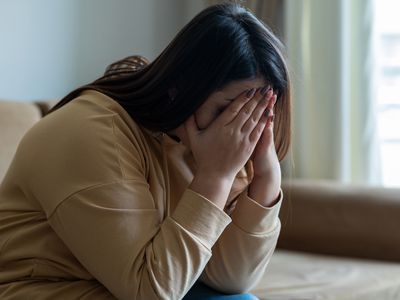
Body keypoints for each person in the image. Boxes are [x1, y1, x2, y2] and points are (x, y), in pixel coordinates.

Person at [0, 3, 291, 300]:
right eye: (228, 109)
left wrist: (267, 178)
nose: (241, 127)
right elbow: (150, 292)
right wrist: (215, 177)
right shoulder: (90, 131)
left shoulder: (205, 145)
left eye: (259, 113)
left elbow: (228, 278)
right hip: (44, 289)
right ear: (181, 87)